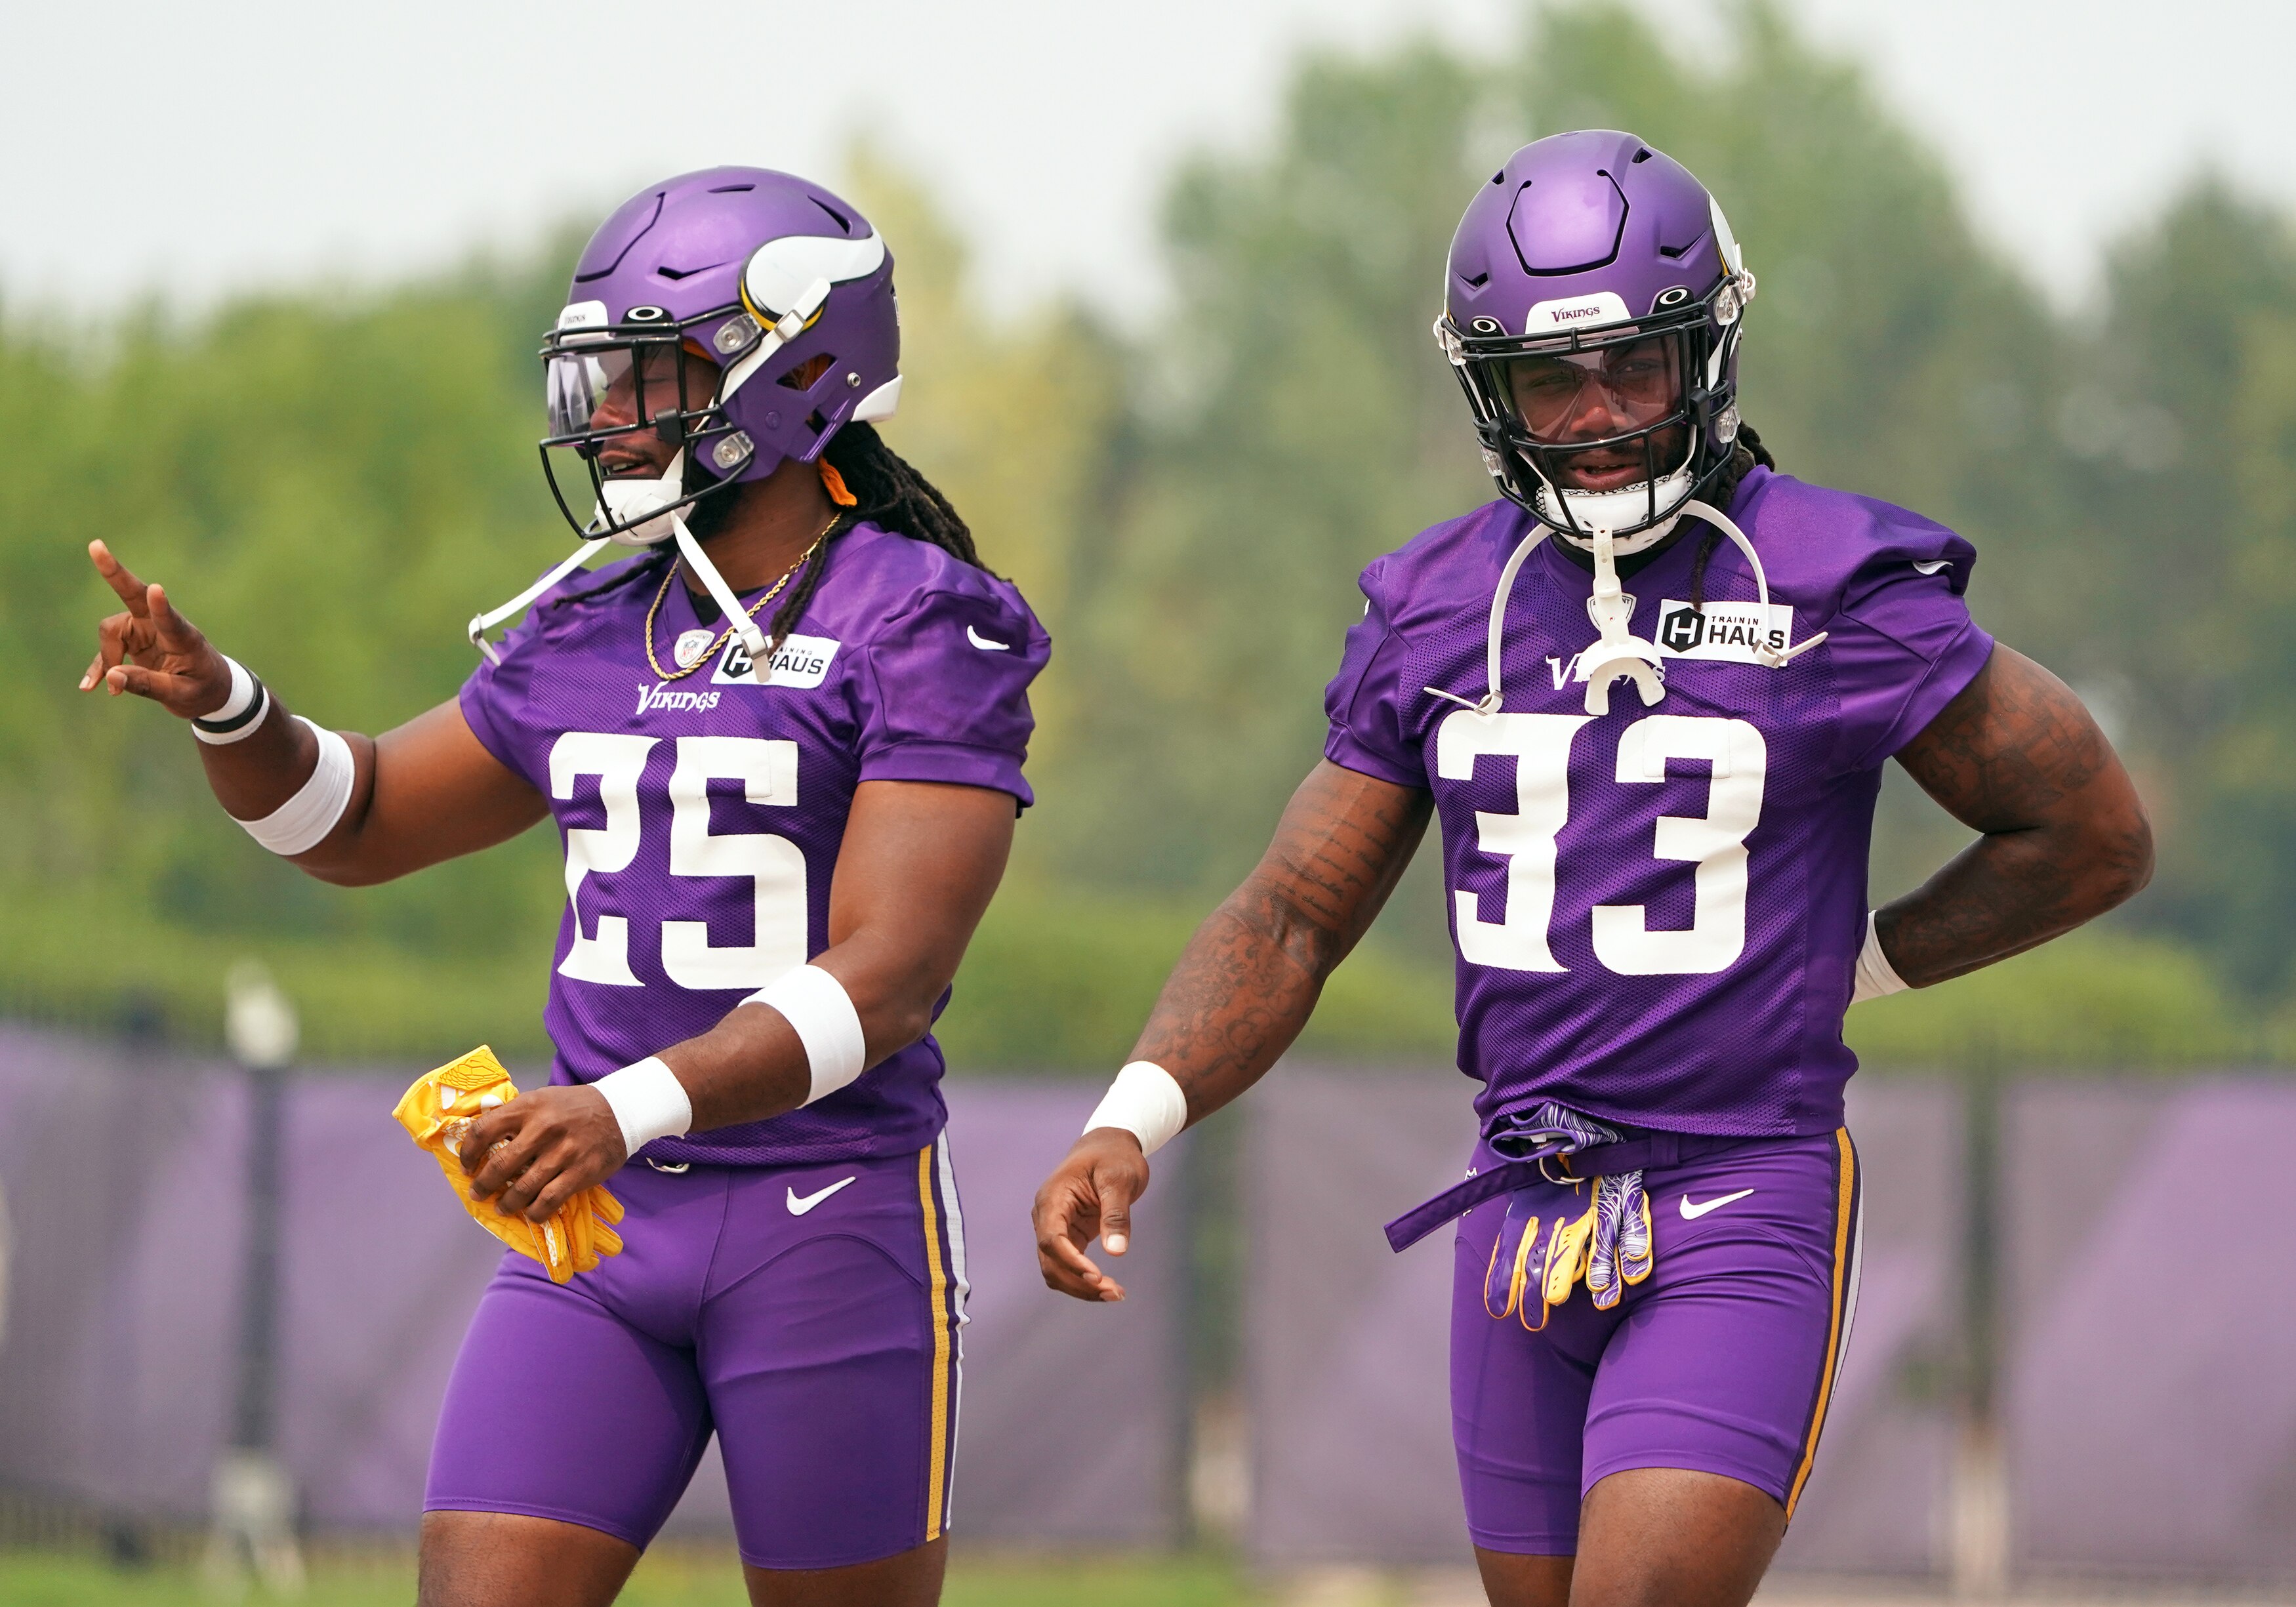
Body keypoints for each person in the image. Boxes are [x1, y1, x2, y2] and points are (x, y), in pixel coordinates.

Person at [1033, 130, 2151, 1607]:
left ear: (1709, 348)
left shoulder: (1824, 580)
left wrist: (1856, 963)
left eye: (1637, 362)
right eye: (1550, 378)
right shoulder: (1438, 606)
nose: (1601, 414)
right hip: (1520, 1203)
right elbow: (1294, 914)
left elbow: (2089, 832)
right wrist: (1132, 1114)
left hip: (1740, 1189)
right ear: (1487, 391)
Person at [81, 167, 1048, 1607]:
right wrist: (233, 707)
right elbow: (353, 820)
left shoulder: (921, 616)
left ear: (793, 376)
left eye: (652, 376)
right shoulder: (597, 623)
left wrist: (620, 1105)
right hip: (599, 1229)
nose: (608, 416)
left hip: (824, 1213)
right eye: (602, 378)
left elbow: (892, 976)